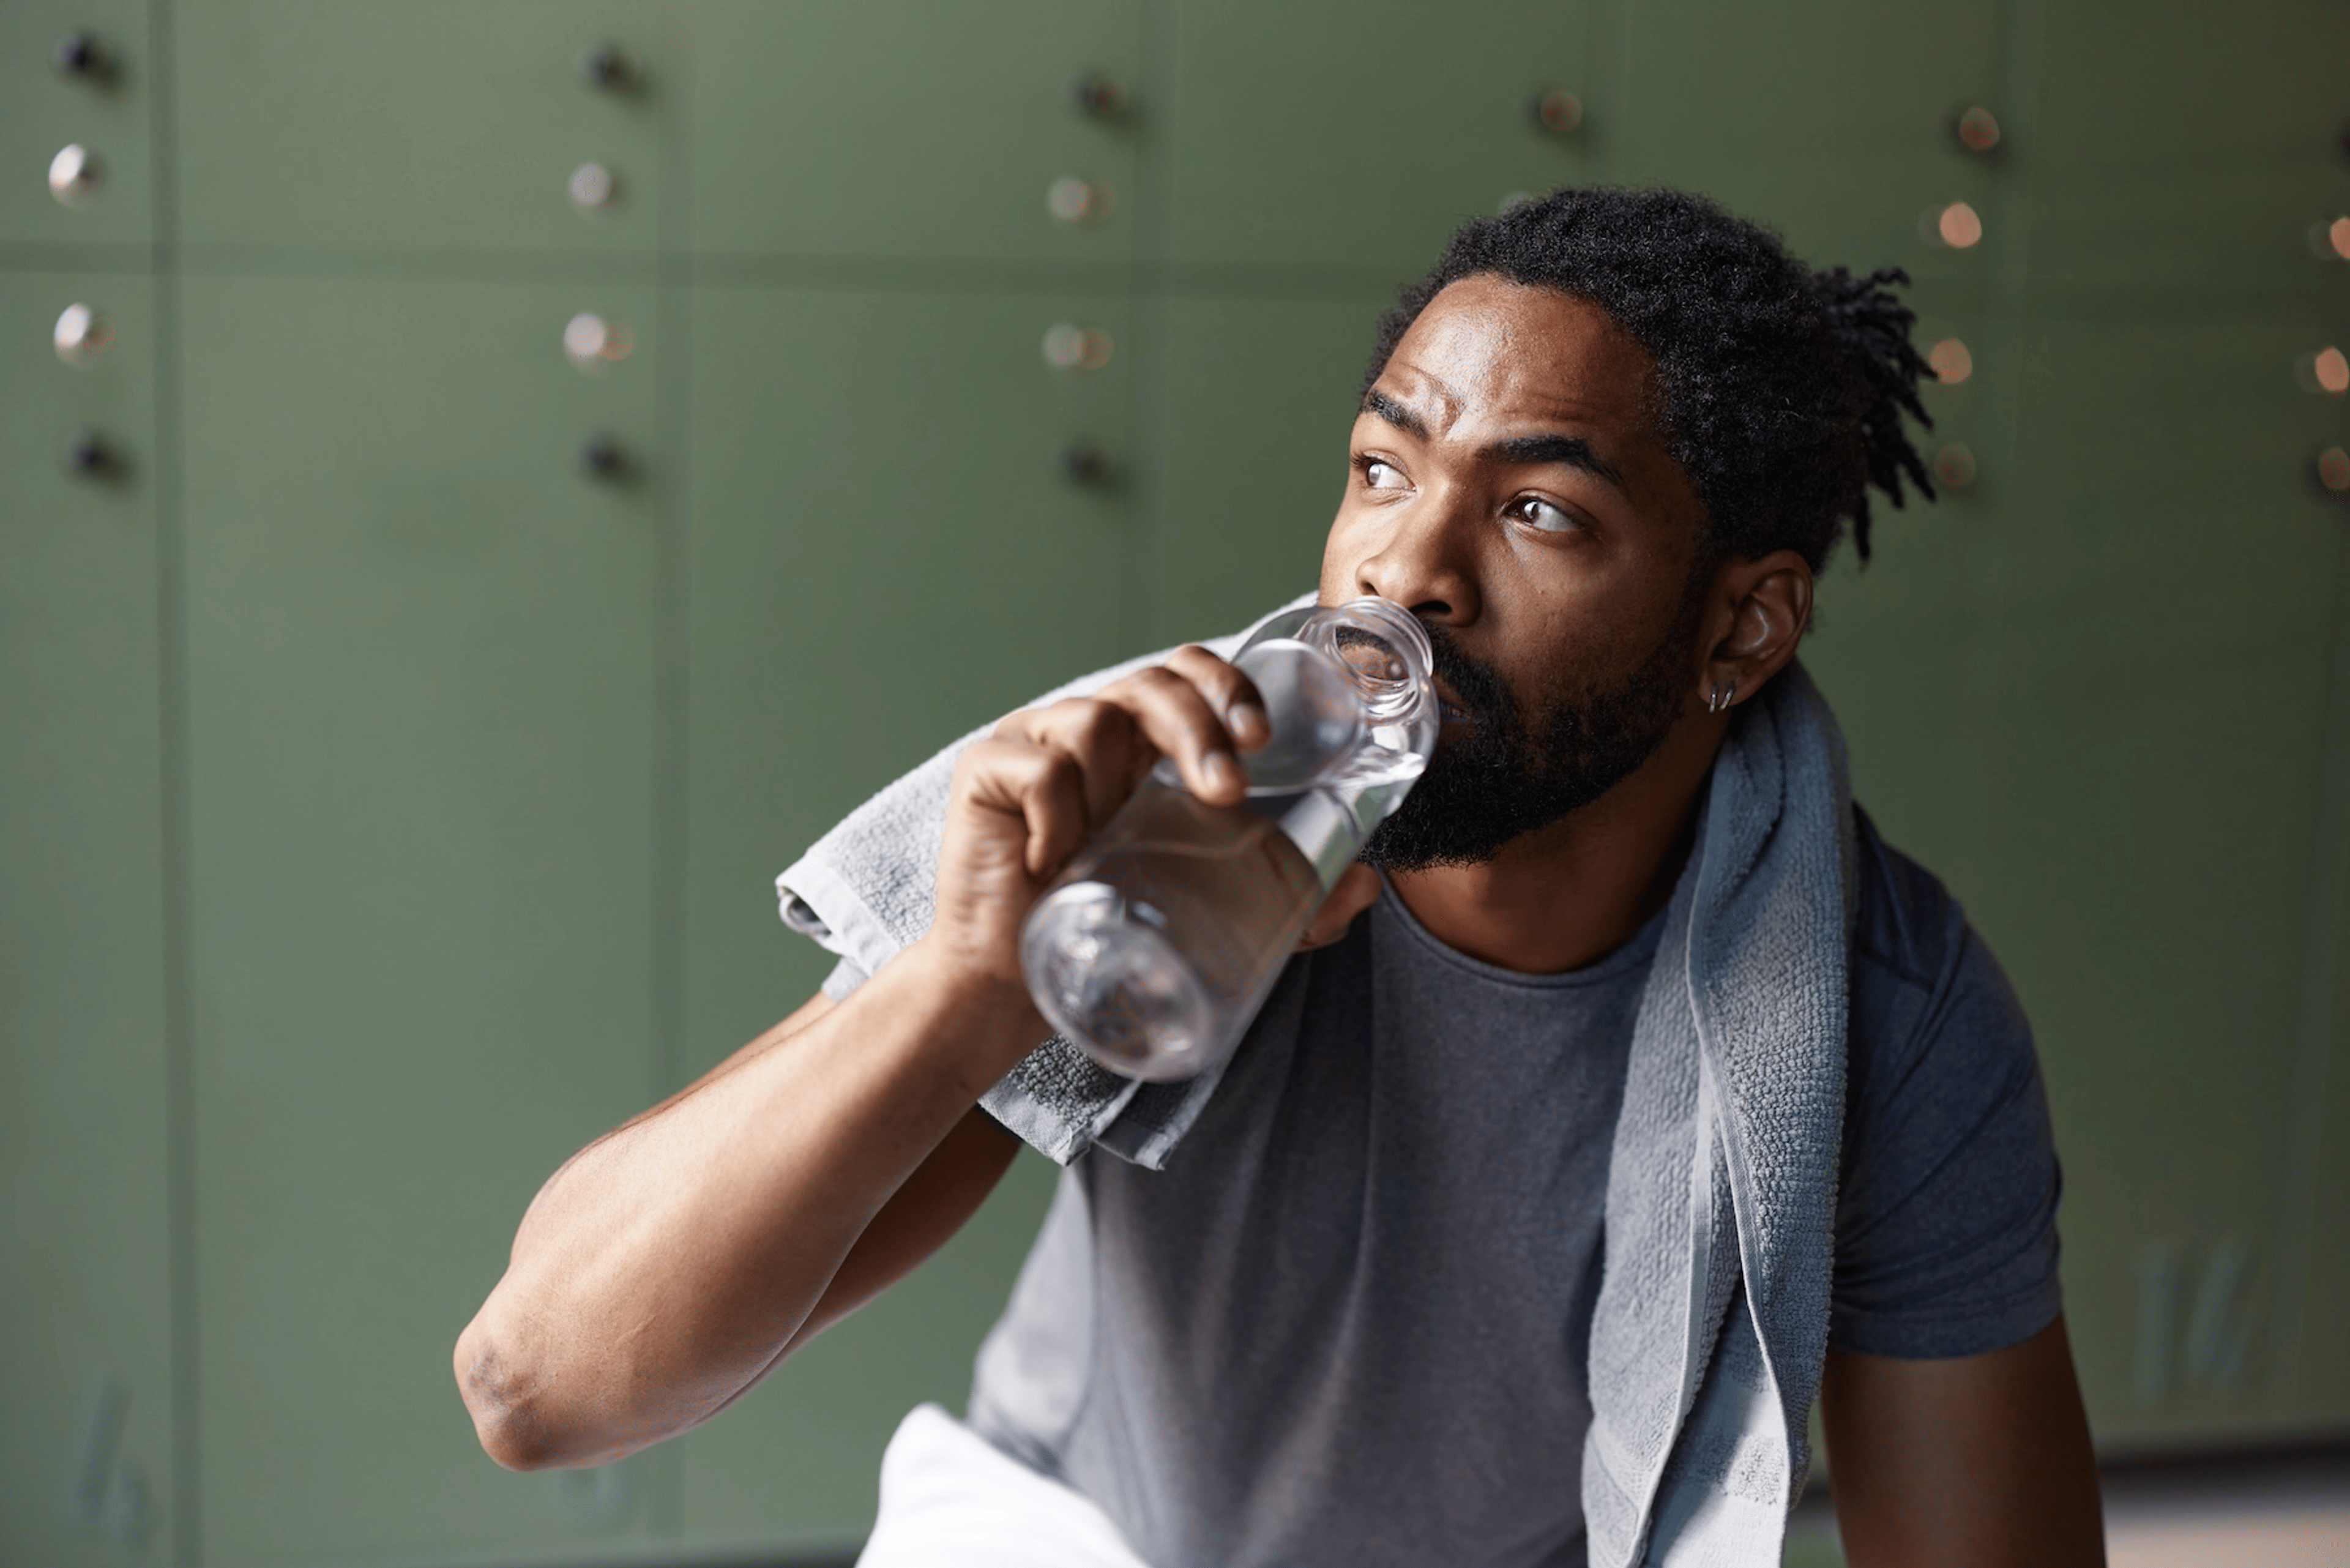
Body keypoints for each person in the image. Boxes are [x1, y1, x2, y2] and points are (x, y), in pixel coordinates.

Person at [454, 187, 2105, 1567]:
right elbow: (538, 1391)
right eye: (1383, 469)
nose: (1403, 567)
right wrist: (968, 981)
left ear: (1742, 627)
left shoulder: (1880, 1020)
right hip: (1072, 1532)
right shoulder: (1174, 829)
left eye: (1535, 510)